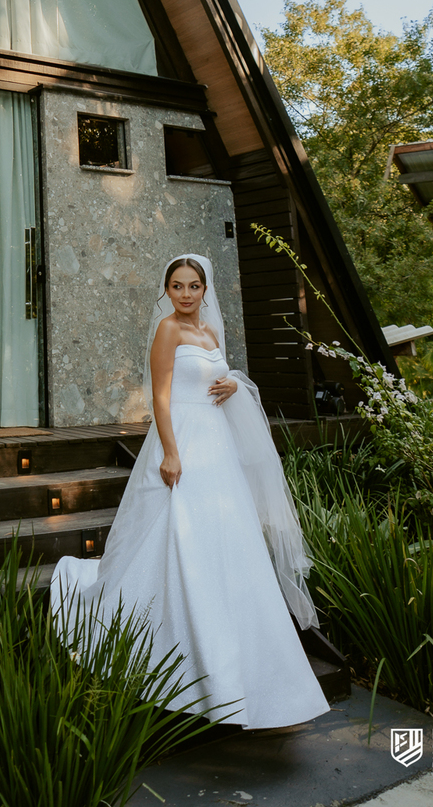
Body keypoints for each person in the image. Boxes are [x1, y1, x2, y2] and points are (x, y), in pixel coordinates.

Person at [49, 253, 330, 730]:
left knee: (227, 542)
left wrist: (233, 387)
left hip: (217, 446)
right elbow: (159, 395)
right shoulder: (168, 331)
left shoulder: (210, 333)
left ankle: (256, 674)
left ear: (205, 289)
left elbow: (221, 381)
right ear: (168, 291)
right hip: (181, 440)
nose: (184, 294)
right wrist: (171, 452)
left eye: (193, 286)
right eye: (176, 286)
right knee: (179, 536)